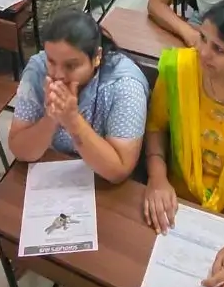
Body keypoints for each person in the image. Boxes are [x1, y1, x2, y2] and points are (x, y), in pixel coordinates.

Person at [9, 10, 149, 183]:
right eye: (51, 61)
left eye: (71, 66)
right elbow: (20, 150)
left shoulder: (125, 85)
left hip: (103, 181)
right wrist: (51, 117)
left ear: (97, 57)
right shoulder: (38, 70)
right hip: (56, 168)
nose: (58, 75)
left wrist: (72, 120)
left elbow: (119, 171)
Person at [144, 0, 224, 234]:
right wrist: (157, 178)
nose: (202, 53)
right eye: (203, 38)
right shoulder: (180, 70)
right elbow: (156, 126)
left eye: (219, 49)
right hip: (175, 201)